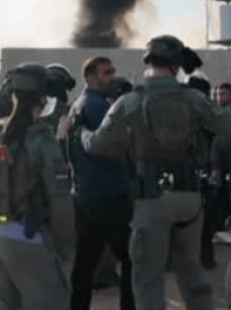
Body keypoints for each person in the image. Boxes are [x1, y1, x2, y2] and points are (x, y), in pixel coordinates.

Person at [81, 35, 231, 310]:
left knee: (148, 279)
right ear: (176, 65)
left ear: (148, 61)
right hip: (189, 199)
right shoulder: (193, 99)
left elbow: (97, 144)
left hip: (151, 201)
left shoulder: (129, 101)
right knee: (192, 272)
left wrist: (82, 132)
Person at [0, 64, 74, 310]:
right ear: (42, 99)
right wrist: (66, 247)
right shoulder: (42, 138)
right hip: (26, 236)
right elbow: (60, 201)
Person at [66, 57, 134, 310]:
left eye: (113, 71)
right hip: (108, 195)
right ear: (90, 77)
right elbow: (111, 147)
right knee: (131, 258)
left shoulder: (79, 104)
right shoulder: (97, 106)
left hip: (85, 195)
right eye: (106, 73)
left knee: (86, 262)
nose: (112, 76)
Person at [201, 81, 231, 269]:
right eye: (216, 94)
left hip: (228, 164)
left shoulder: (229, 114)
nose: (218, 97)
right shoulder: (214, 114)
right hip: (219, 166)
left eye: (222, 94)